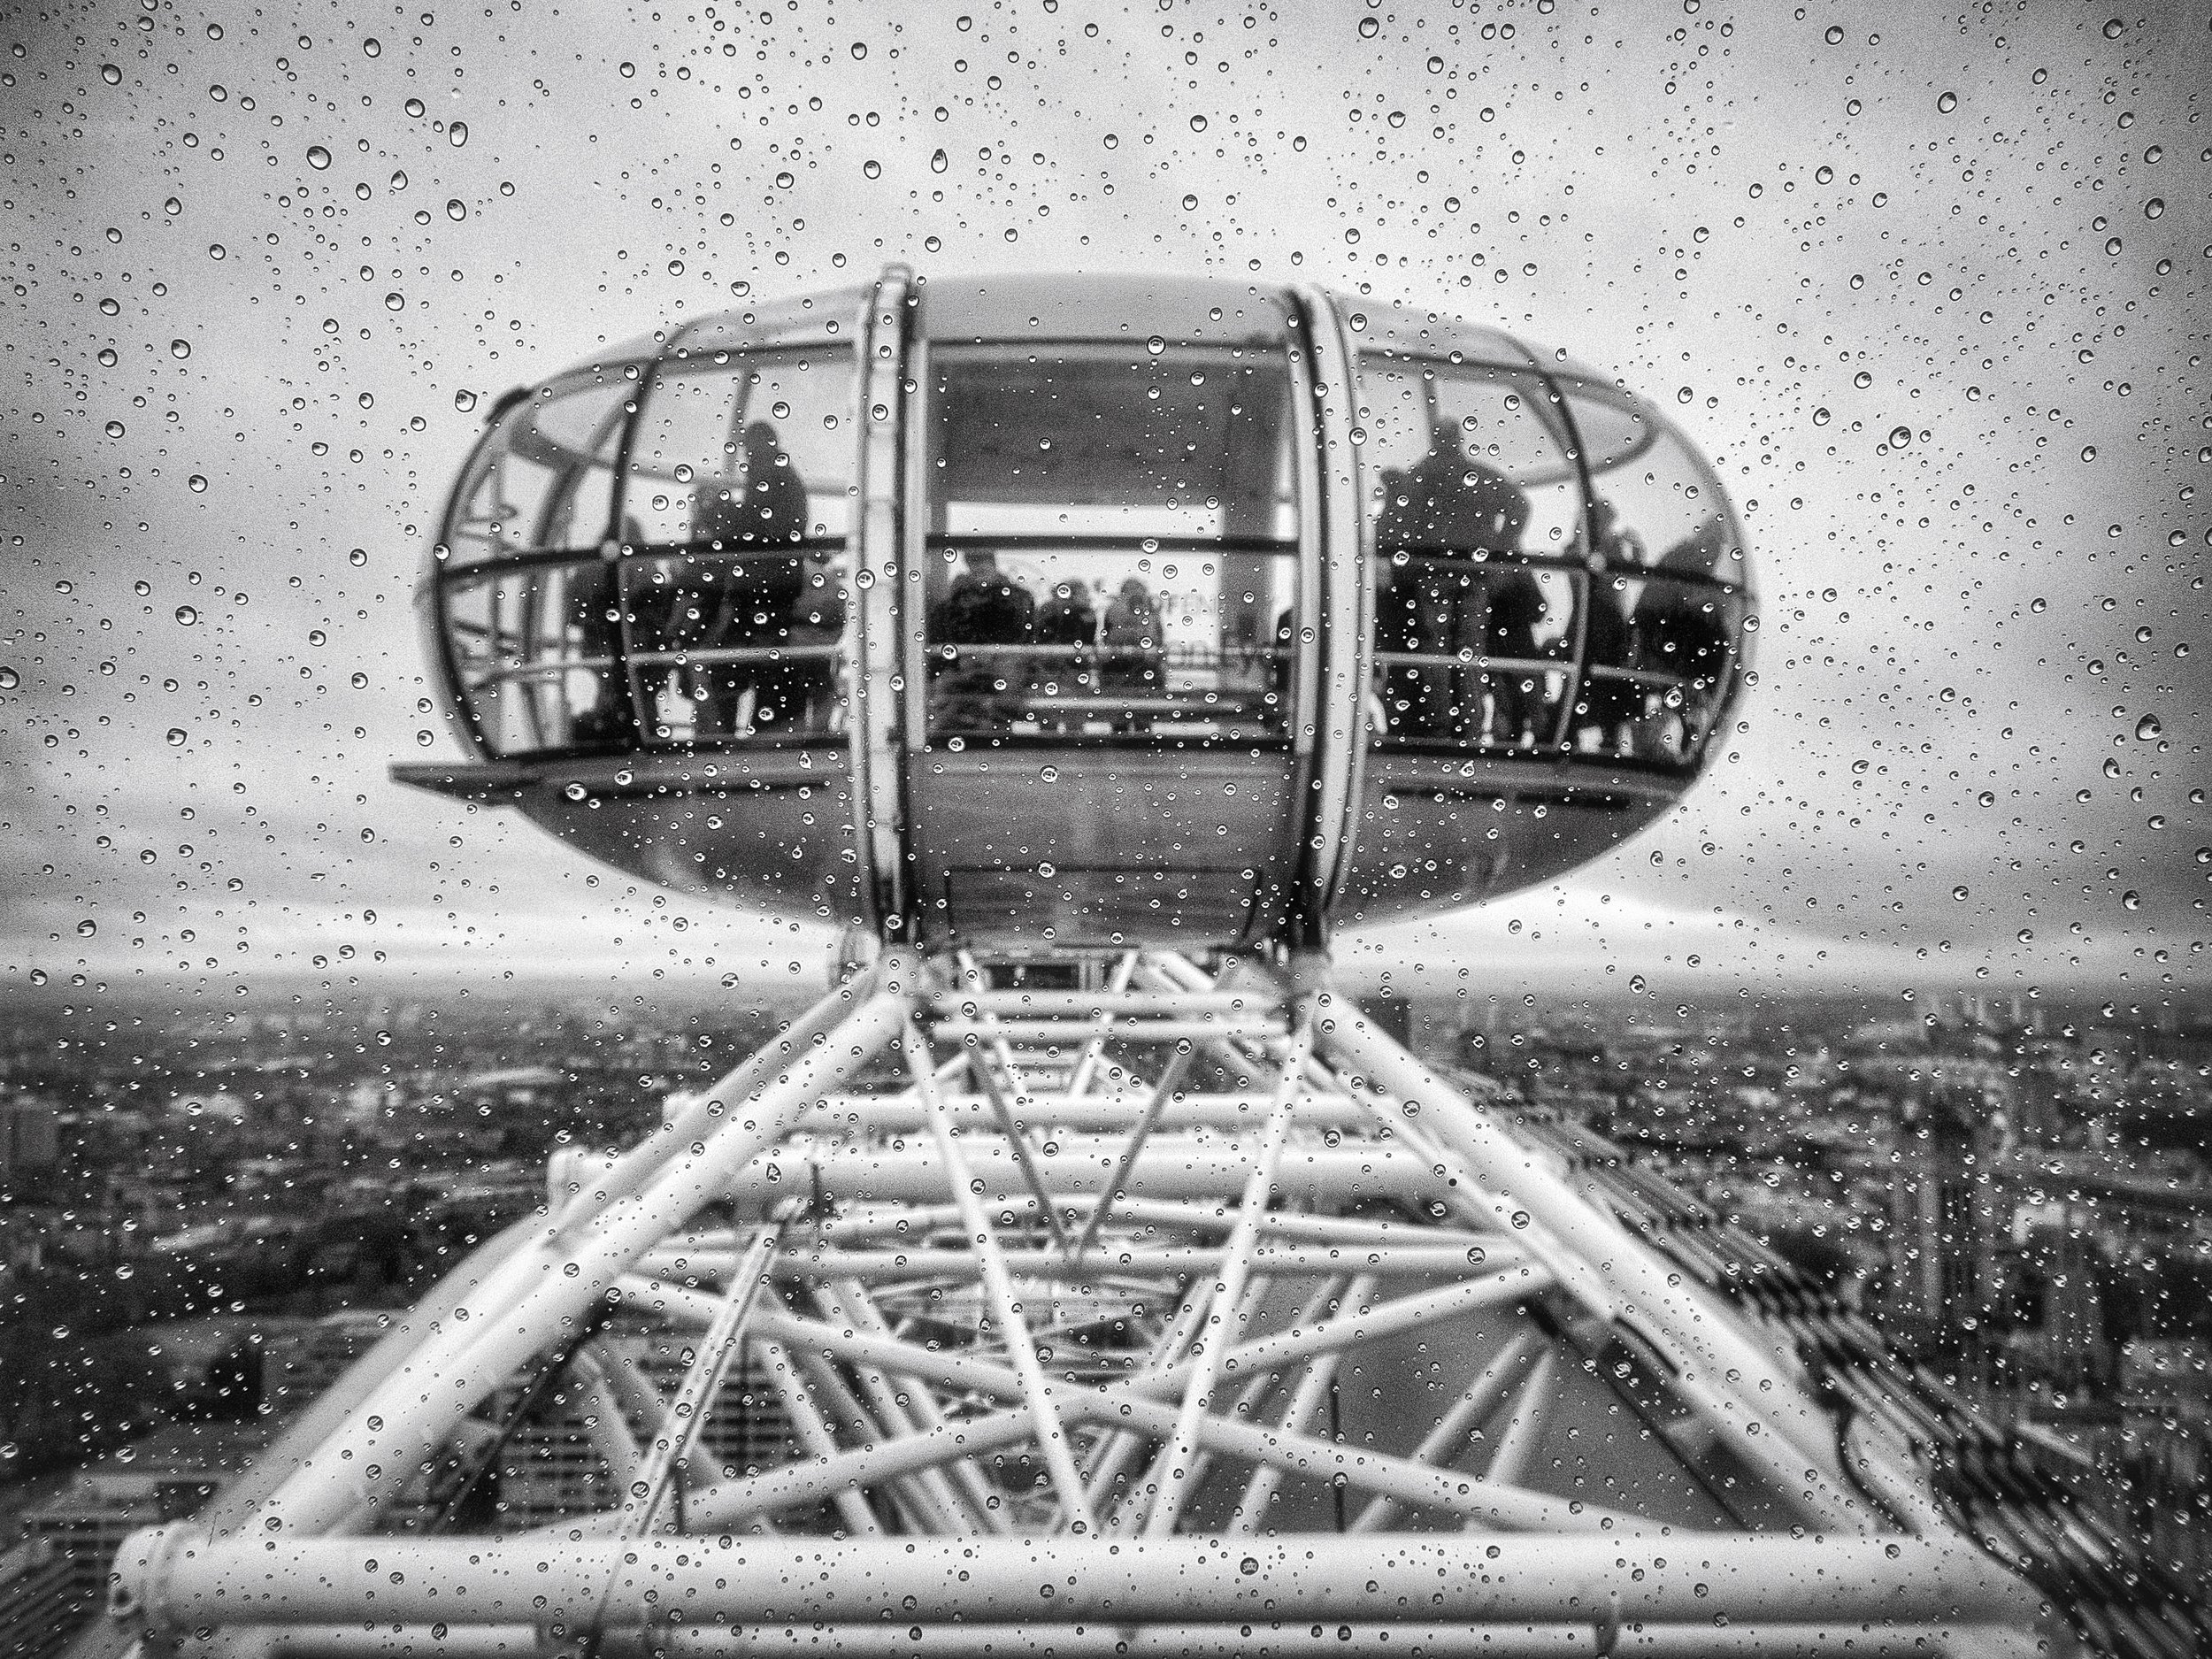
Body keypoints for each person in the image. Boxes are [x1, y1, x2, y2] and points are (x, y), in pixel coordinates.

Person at [929, 549, 1036, 731]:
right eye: (975, 564)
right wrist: (962, 658)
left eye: (984, 563)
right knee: (951, 692)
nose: (980, 568)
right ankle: (969, 730)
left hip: (1003, 663)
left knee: (1001, 694)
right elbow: (943, 634)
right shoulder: (953, 601)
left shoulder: (1017, 598)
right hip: (965, 666)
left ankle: (988, 730)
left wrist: (994, 655)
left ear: (993, 564)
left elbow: (1023, 633)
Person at [1033, 577, 1099, 729]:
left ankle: (1053, 738)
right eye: (1083, 593)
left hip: (1062, 666)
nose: (1087, 597)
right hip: (1064, 666)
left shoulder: (1048, 608)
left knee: (1055, 710)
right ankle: (1069, 737)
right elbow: (1087, 637)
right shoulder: (1077, 612)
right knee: (1068, 710)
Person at [1101, 576, 1164, 732]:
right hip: (1142, 670)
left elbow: (1107, 638)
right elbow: (1158, 640)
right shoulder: (1150, 611)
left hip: (1119, 671)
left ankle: (1121, 744)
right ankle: (1141, 744)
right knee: (1142, 719)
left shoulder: (1113, 609)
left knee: (1120, 720)